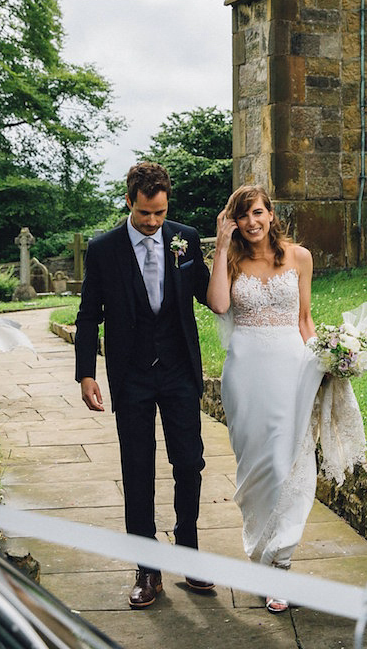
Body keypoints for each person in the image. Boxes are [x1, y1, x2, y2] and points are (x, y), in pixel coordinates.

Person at [74, 162, 213, 609]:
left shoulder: (185, 238)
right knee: (137, 468)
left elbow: (209, 295)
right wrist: (86, 373)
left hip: (178, 371)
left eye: (160, 214)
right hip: (131, 373)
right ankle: (147, 568)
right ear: (130, 201)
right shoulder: (103, 249)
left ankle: (189, 552)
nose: (153, 223)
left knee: (189, 463)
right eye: (145, 214)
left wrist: (230, 250)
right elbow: (88, 313)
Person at [207, 184, 324, 614]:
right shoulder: (231, 259)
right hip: (247, 372)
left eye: (258, 213)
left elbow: (305, 320)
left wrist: (329, 361)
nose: (251, 222)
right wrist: (221, 247)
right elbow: (219, 305)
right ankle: (259, 554)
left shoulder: (300, 257)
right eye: (242, 216)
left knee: (288, 465)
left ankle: (280, 564)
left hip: (292, 368)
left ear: (271, 214)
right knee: (255, 466)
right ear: (233, 221)